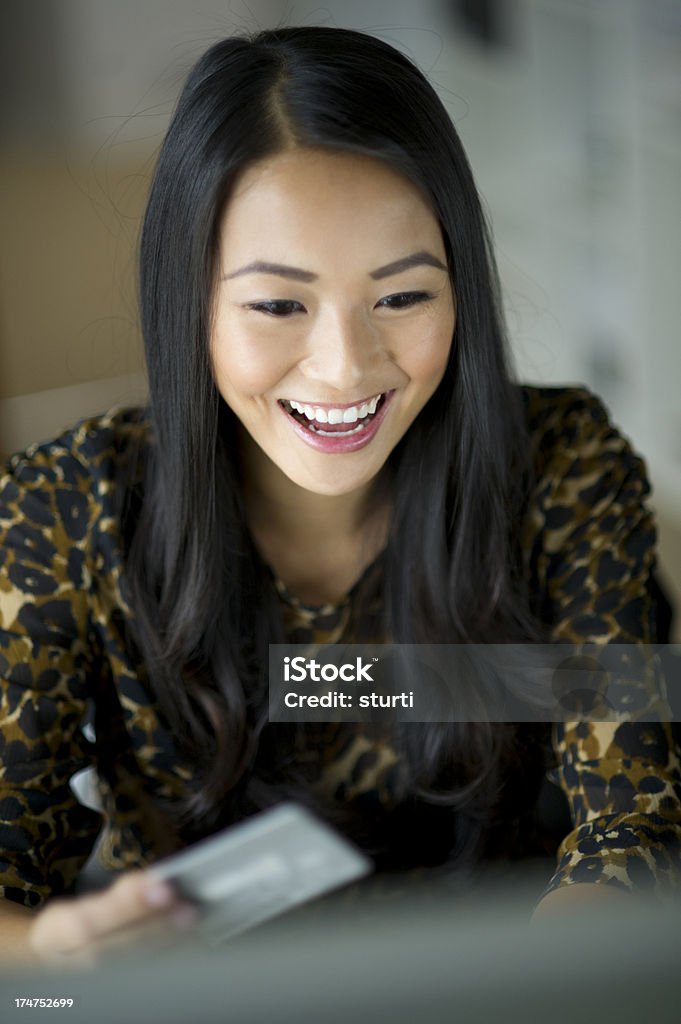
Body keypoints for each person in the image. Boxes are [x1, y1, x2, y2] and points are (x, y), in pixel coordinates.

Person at [0, 26, 679, 965]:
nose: (345, 368)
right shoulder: (65, 508)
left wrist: (535, 979)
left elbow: (632, 825)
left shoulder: (564, 463)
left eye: (401, 298)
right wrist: (55, 945)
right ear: (185, 300)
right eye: (278, 305)